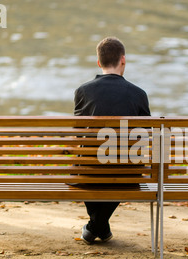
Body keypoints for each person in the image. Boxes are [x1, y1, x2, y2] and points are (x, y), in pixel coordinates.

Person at [73, 37, 150, 244]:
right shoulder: (139, 94)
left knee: (83, 161)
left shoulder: (83, 91)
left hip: (89, 169)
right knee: (125, 165)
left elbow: (78, 132)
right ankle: (99, 226)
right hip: (126, 171)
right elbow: (146, 134)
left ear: (99, 62)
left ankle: (96, 226)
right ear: (123, 60)